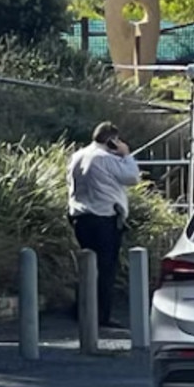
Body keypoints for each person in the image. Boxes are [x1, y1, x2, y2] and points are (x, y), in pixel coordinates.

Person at [67, 122, 141, 328]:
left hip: (80, 217)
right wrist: (126, 154)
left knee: (87, 266)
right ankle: (102, 315)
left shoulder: (78, 156)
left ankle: (81, 310)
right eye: (117, 140)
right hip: (104, 218)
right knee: (105, 268)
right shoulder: (105, 158)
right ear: (111, 140)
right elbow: (133, 177)